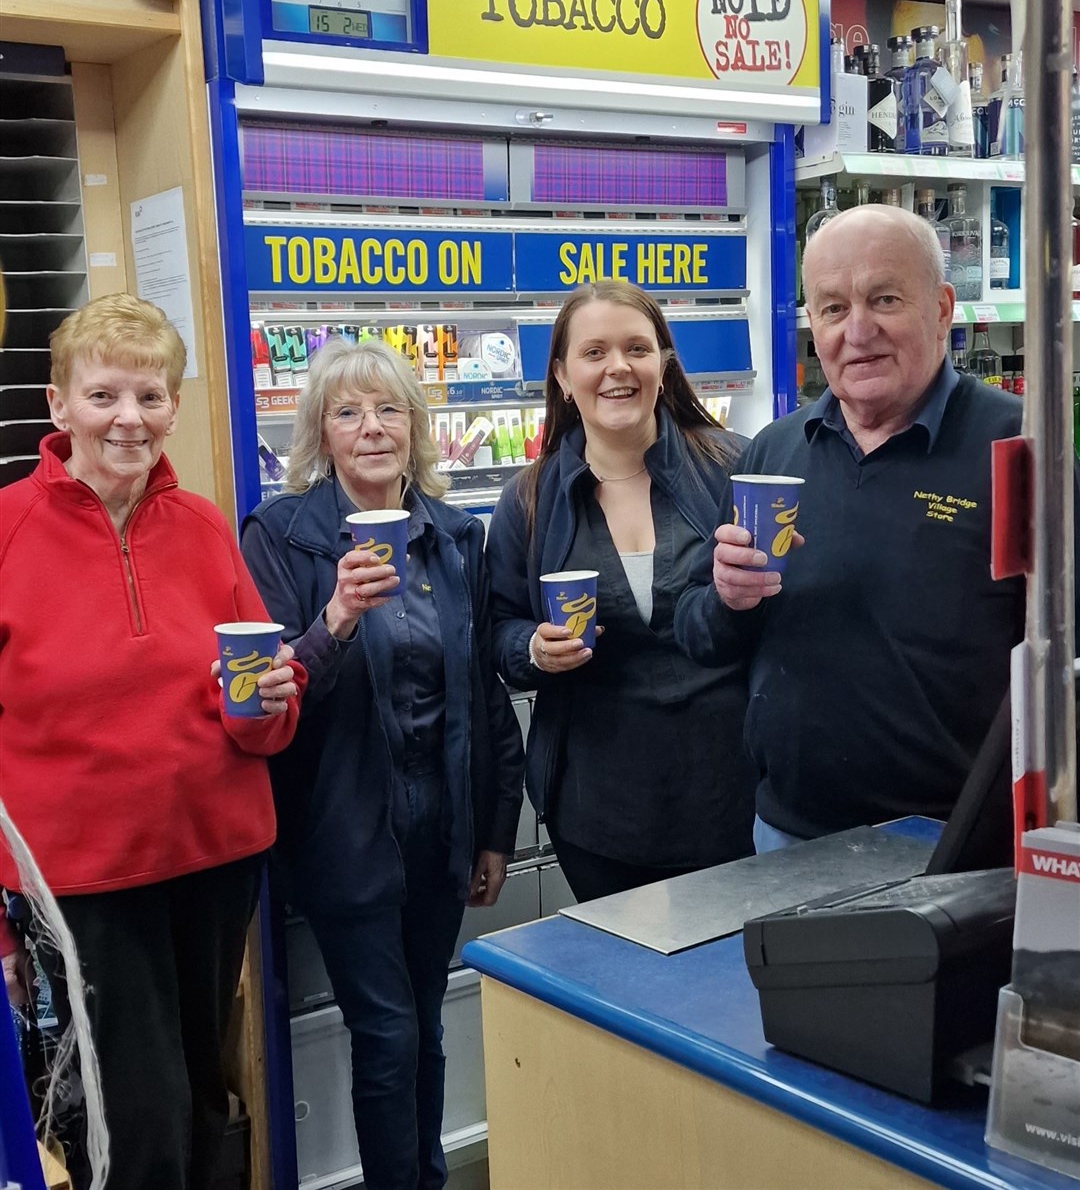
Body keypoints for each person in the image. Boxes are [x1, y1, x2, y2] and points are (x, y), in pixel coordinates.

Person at [0, 294, 304, 1190]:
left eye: (151, 396)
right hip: (80, 886)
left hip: (215, 863)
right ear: (59, 408)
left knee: (207, 1098)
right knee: (132, 1119)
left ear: (173, 405)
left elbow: (264, 718)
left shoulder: (207, 526)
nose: (129, 419)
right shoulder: (7, 528)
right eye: (103, 397)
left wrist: (271, 706)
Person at [675, 203, 1047, 852]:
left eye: (885, 298)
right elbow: (700, 633)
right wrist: (727, 599)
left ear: (940, 308)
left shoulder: (1019, 448)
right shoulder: (774, 452)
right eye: (833, 308)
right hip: (787, 835)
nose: (859, 330)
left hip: (958, 851)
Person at [240, 338, 523, 1190]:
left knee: (426, 1028)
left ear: (417, 427)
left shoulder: (454, 536)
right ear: (320, 434)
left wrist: (494, 832)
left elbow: (480, 696)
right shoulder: (280, 539)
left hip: (440, 831)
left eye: (390, 409)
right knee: (390, 1033)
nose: (372, 429)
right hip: (342, 839)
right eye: (348, 412)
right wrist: (335, 621)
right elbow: (265, 697)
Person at [485, 281, 755, 905]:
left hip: (729, 790)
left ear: (664, 362)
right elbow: (499, 627)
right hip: (597, 808)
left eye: (637, 348)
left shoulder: (733, 468)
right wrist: (533, 647)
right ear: (561, 374)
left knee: (729, 989)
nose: (618, 368)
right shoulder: (528, 501)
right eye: (594, 352)